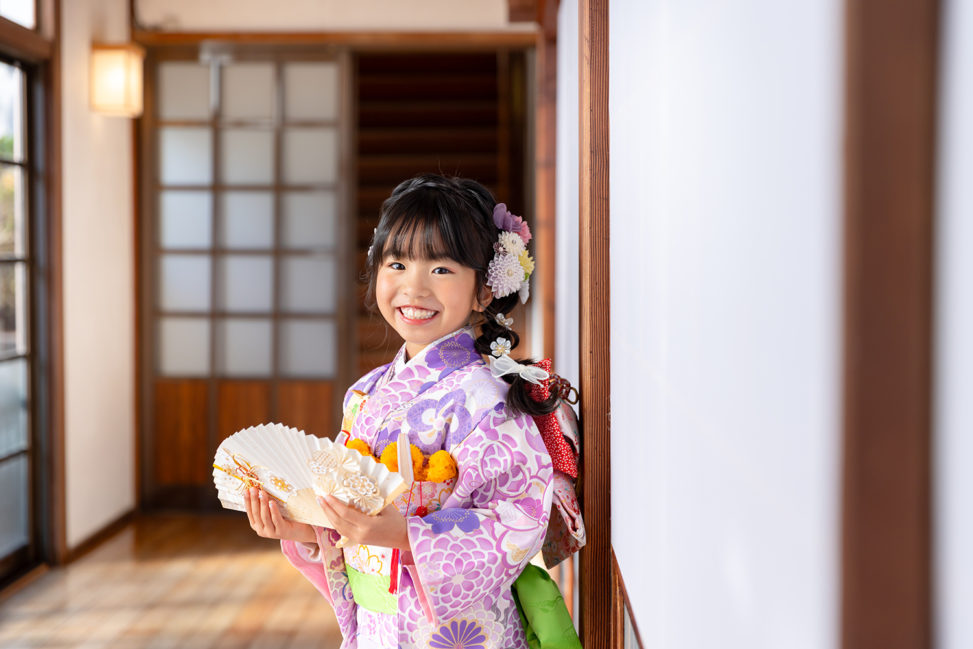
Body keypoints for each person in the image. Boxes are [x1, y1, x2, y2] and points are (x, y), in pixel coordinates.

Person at [244, 174, 556, 649]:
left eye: (442, 269)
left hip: (456, 630)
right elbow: (356, 525)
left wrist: (408, 535)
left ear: (484, 292)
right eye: (398, 263)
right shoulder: (364, 395)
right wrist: (309, 526)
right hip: (379, 625)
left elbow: (521, 518)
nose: (414, 287)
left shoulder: (485, 399)